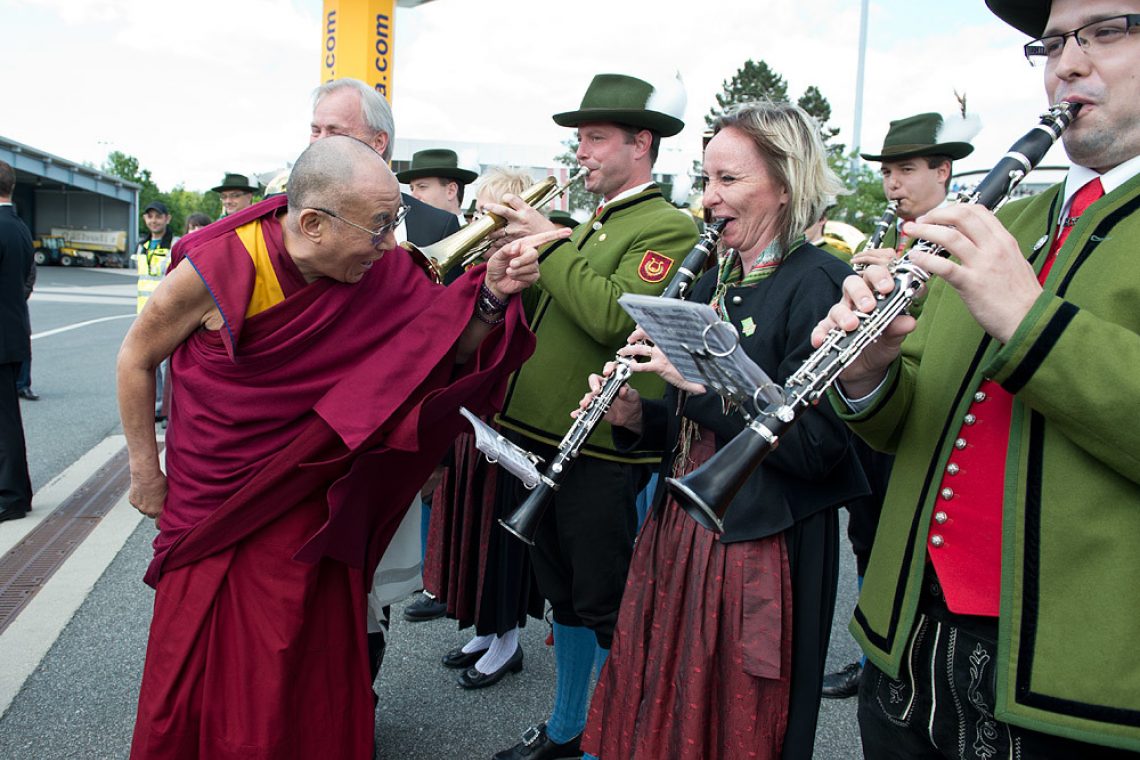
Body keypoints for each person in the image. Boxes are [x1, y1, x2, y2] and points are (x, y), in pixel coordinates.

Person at [122, 135, 561, 759]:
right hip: (217, 501)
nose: (389, 244)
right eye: (378, 227)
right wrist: (145, 470)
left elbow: (443, 351)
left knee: (302, 658)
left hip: (310, 503)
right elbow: (136, 357)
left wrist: (491, 295)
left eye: (394, 222)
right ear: (312, 224)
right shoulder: (223, 266)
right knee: (197, 662)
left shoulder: (378, 272)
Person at [815, 0, 1140, 756]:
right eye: (1052, 43)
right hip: (907, 648)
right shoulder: (1005, 222)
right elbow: (909, 424)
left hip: (1081, 692)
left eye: (1106, 31)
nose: (1067, 64)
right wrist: (866, 371)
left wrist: (1029, 318)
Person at [578, 101, 866, 760]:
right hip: (684, 526)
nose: (708, 199)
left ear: (786, 184)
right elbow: (692, 427)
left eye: (728, 180)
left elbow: (817, 449)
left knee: (737, 723)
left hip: (761, 544)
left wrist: (701, 388)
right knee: (668, 701)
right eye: (707, 180)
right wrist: (636, 417)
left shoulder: (823, 284)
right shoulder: (710, 279)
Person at [485, 72, 700, 760]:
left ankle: (610, 741)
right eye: (580, 138)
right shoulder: (592, 225)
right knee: (566, 600)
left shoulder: (667, 226)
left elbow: (614, 318)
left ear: (642, 144)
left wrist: (551, 243)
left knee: (605, 604)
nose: (581, 151)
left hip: (596, 448)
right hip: (535, 437)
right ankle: (568, 725)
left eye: (597, 137)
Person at [821, 110, 979, 700]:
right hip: (875, 406)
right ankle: (876, 653)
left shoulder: (970, 234)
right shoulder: (891, 236)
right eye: (888, 172)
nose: (893, 184)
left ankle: (910, 660)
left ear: (943, 171)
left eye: (906, 170)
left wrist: (913, 285)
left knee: (915, 539)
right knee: (869, 535)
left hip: (926, 413)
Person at [309, 77, 461, 631]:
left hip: (379, 437)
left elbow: (447, 348)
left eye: (334, 130)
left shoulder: (435, 226)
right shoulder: (288, 209)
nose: (318, 142)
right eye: (314, 130)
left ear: (378, 143)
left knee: (366, 592)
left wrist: (435, 457)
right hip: (301, 432)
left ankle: (359, 677)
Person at [424, 165, 544, 690]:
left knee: (499, 534)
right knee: (469, 525)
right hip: (472, 416)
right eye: (479, 213)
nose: (480, 223)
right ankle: (486, 628)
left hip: (506, 419)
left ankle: (507, 640)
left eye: (492, 214)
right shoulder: (478, 262)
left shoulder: (530, 268)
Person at [0, 161, 34, 523]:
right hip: (11, 329)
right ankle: (15, 491)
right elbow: (27, 280)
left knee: (4, 421)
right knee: (7, 417)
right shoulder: (19, 226)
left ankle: (11, 496)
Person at [135, 201, 179, 422]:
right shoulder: (141, 246)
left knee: (167, 364)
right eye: (150, 216)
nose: (154, 221)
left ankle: (170, 409)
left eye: (158, 216)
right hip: (144, 313)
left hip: (167, 314)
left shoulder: (174, 245)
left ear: (167, 218)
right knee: (150, 362)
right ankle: (158, 405)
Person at [396, 148, 478, 225]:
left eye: (422, 187)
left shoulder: (473, 234)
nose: (413, 196)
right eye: (412, 189)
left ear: (451, 191)